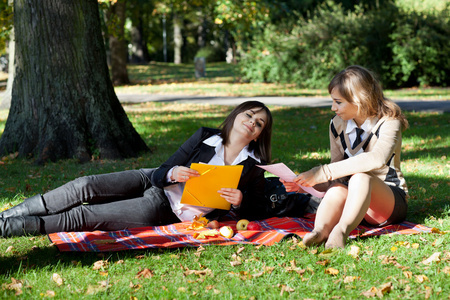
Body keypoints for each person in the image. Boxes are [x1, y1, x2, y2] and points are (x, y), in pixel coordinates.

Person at [0, 101, 273, 237]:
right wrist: (172, 173)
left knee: (84, 215)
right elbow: (161, 171)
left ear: (259, 135)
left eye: (259, 123)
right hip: (151, 180)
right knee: (84, 185)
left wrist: (240, 201)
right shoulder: (204, 136)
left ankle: (9, 228)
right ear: (237, 114)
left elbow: (258, 210)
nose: (251, 121)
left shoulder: (253, 168)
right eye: (249, 114)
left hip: (165, 209)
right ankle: (5, 217)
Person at [282, 65, 409, 249]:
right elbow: (337, 173)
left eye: (338, 102)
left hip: (387, 202)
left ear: (359, 100)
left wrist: (323, 172)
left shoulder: (389, 121)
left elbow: (377, 158)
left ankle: (340, 231)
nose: (333, 107)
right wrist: (306, 184)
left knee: (360, 177)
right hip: (352, 201)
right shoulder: (337, 124)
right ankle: (320, 231)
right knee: (337, 187)